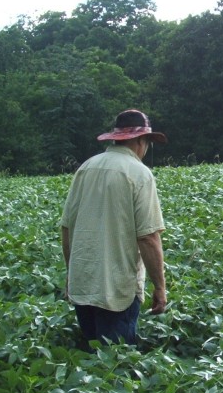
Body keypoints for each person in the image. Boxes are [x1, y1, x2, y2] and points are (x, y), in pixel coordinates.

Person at [60, 109, 168, 347]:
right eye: (147, 142)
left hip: (84, 282)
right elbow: (149, 237)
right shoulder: (139, 174)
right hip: (116, 288)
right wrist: (160, 287)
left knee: (92, 357)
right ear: (140, 140)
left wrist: (72, 273)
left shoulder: (86, 168)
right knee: (114, 366)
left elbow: (67, 228)